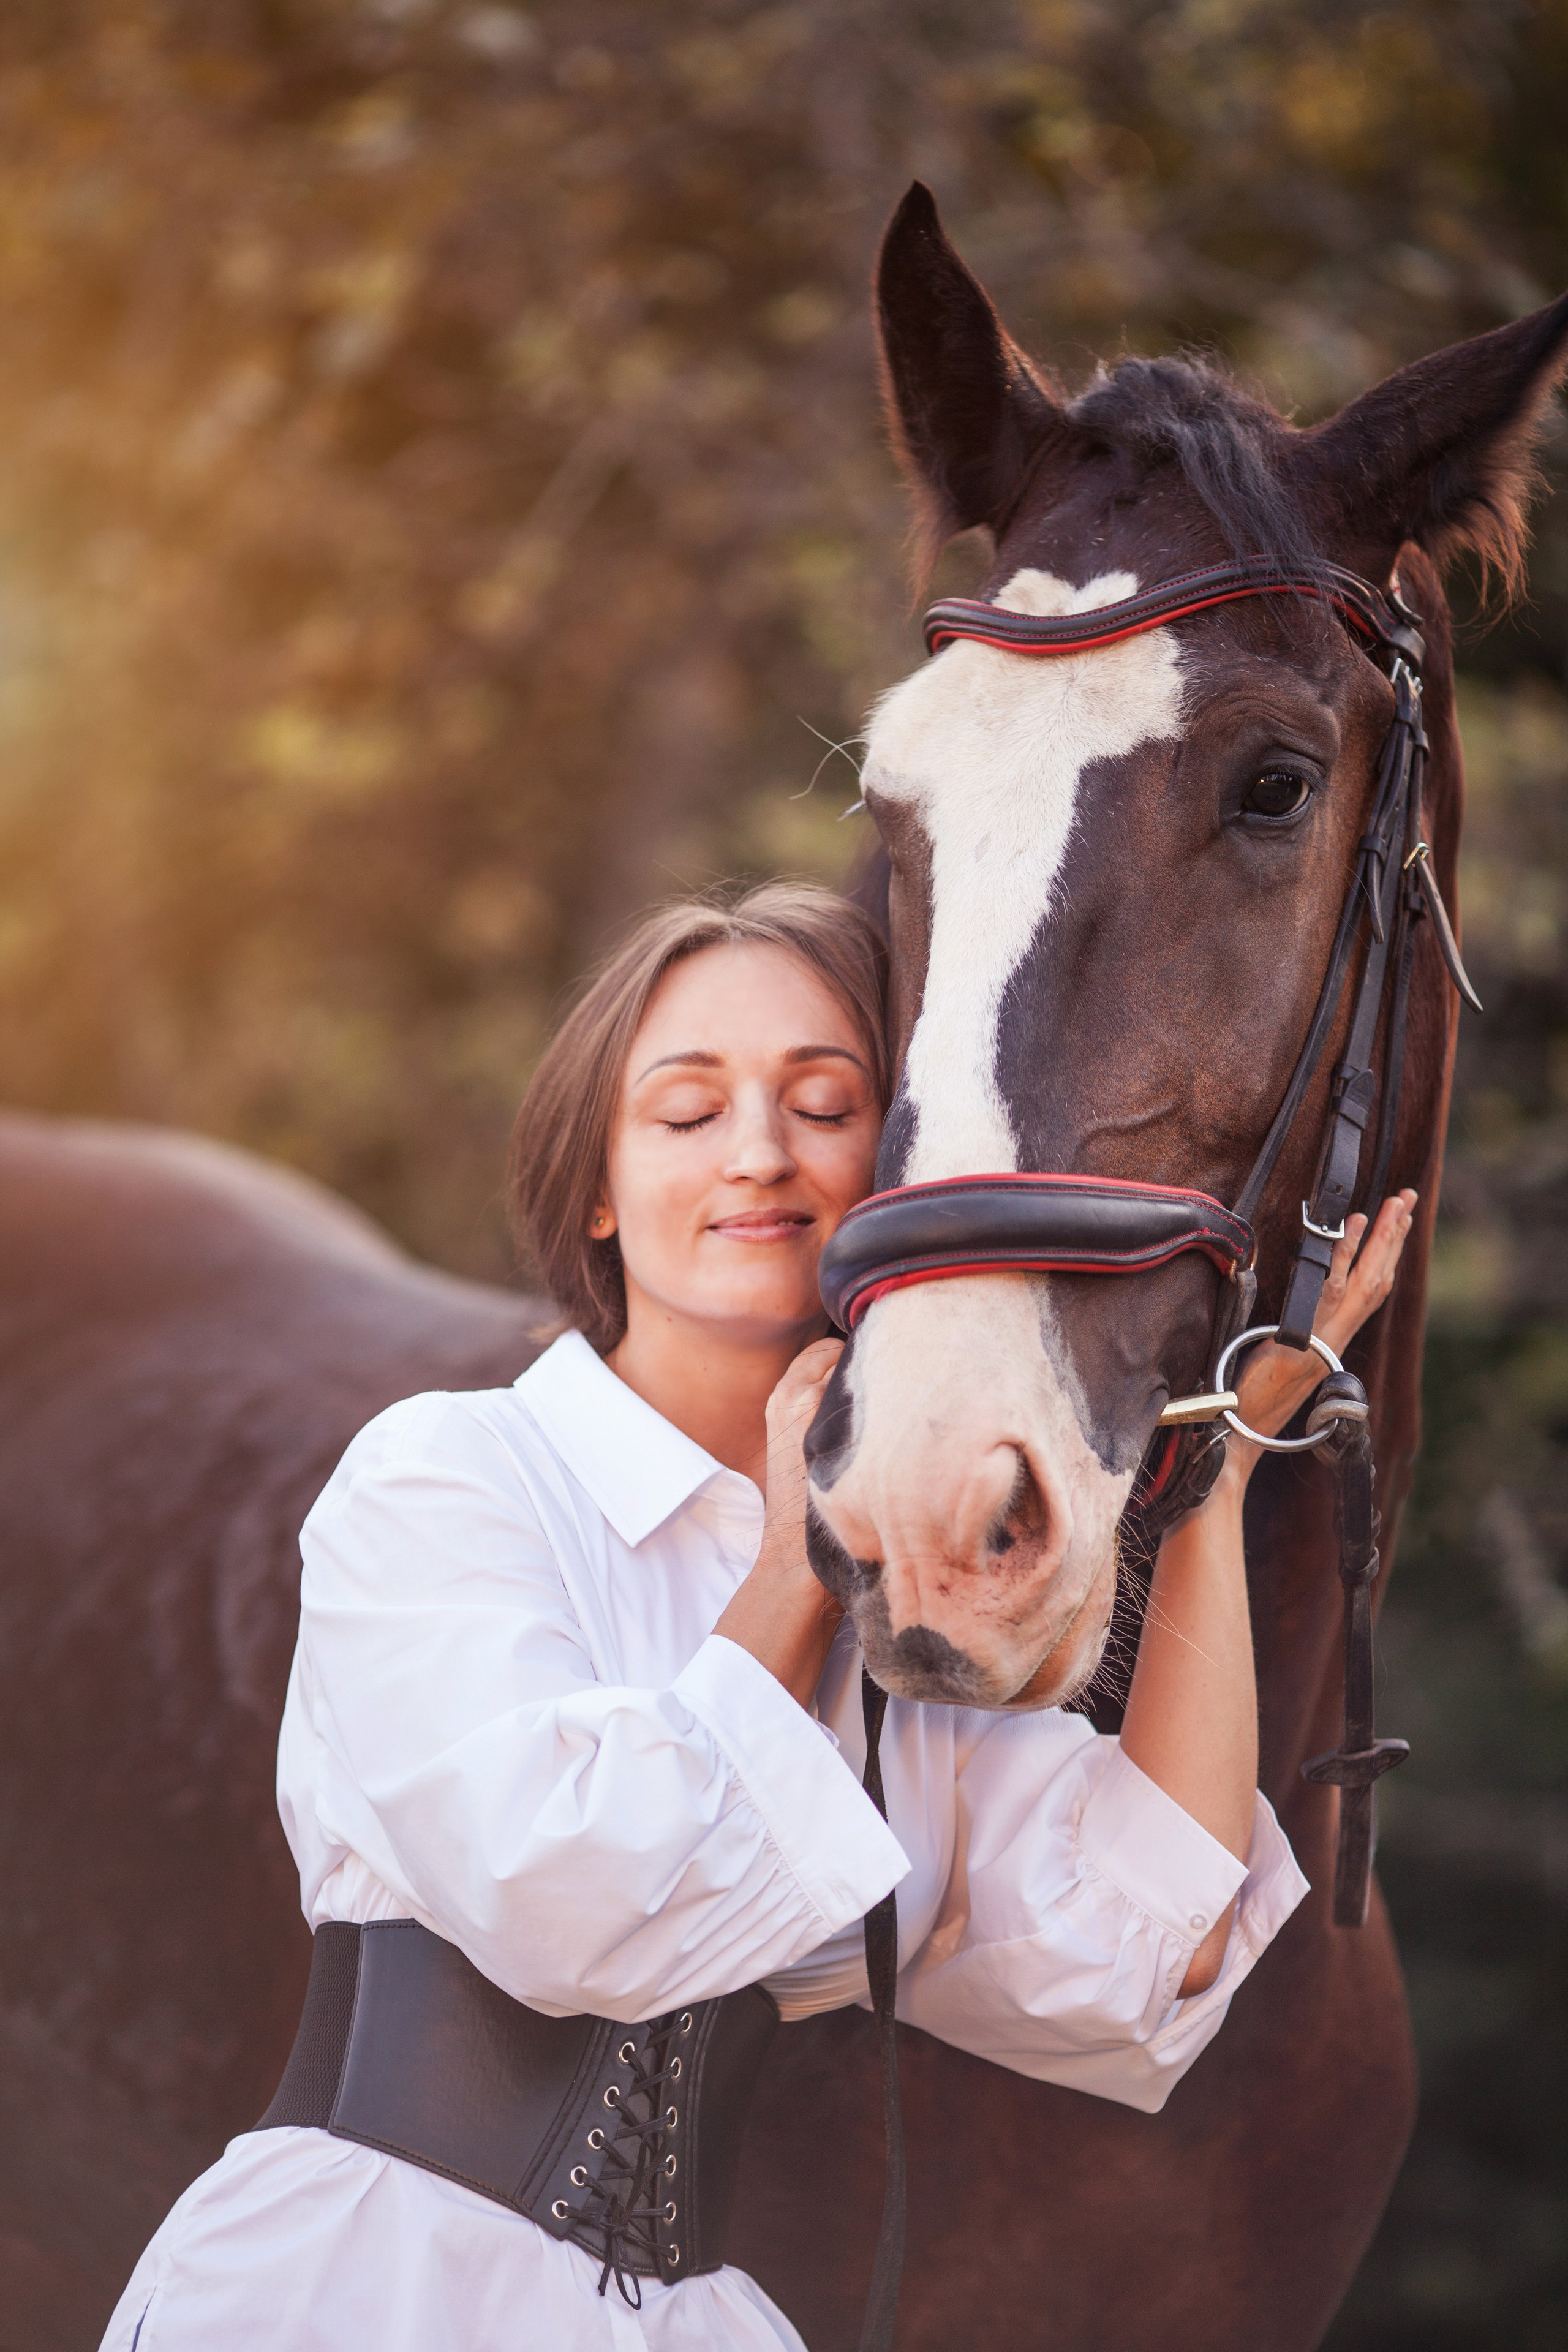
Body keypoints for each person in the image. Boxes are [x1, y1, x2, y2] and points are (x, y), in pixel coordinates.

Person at [102, 880, 1415, 2352]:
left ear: (894, 1175)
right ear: (597, 1187)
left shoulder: (882, 1624)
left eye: (824, 1102)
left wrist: (1215, 1480)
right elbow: (568, 1902)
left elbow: (1144, 1946)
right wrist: (795, 1557)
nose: (758, 1154)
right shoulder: (446, 1481)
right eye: (684, 1112)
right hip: (371, 2294)